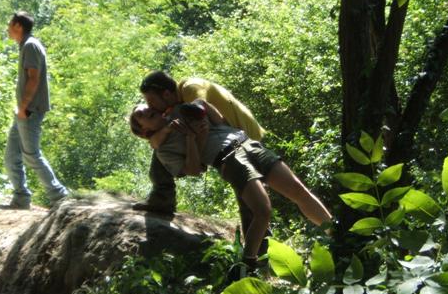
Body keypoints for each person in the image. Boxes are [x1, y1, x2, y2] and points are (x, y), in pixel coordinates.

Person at [130, 100, 332, 272]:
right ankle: (247, 267)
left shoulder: (181, 110)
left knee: (298, 190)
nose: (147, 109)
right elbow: (194, 169)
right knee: (263, 211)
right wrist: (193, 137)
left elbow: (219, 120)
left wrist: (201, 108)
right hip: (228, 157)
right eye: (142, 114)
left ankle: (337, 235)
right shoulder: (164, 150)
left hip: (247, 142)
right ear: (144, 130)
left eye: (146, 106)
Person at [3, 11, 69, 209]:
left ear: (18, 26)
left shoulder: (31, 45)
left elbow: (34, 78)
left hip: (29, 110)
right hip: (24, 111)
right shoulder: (27, 45)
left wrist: (23, 107)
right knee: (11, 156)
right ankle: (21, 197)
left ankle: (60, 197)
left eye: (10, 24)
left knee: (31, 155)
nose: (7, 28)